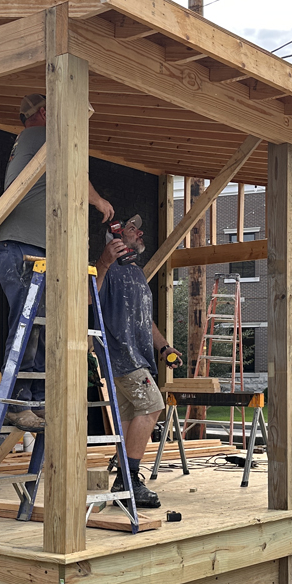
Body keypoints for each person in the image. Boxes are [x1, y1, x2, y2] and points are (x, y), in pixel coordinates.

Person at [0, 93, 114, 431]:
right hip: (20, 246)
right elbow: (76, 169)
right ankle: (19, 401)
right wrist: (98, 201)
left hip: (33, 247)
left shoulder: (32, 142)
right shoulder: (41, 135)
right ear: (45, 112)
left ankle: (39, 399)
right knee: (30, 323)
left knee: (42, 324)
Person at [95, 214, 182, 508]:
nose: (140, 232)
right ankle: (129, 480)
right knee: (153, 405)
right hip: (121, 353)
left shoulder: (136, 273)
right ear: (116, 238)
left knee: (132, 417)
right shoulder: (104, 269)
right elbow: (87, 298)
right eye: (133, 229)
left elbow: (146, 320)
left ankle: (125, 481)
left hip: (139, 356)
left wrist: (163, 347)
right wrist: (104, 263)